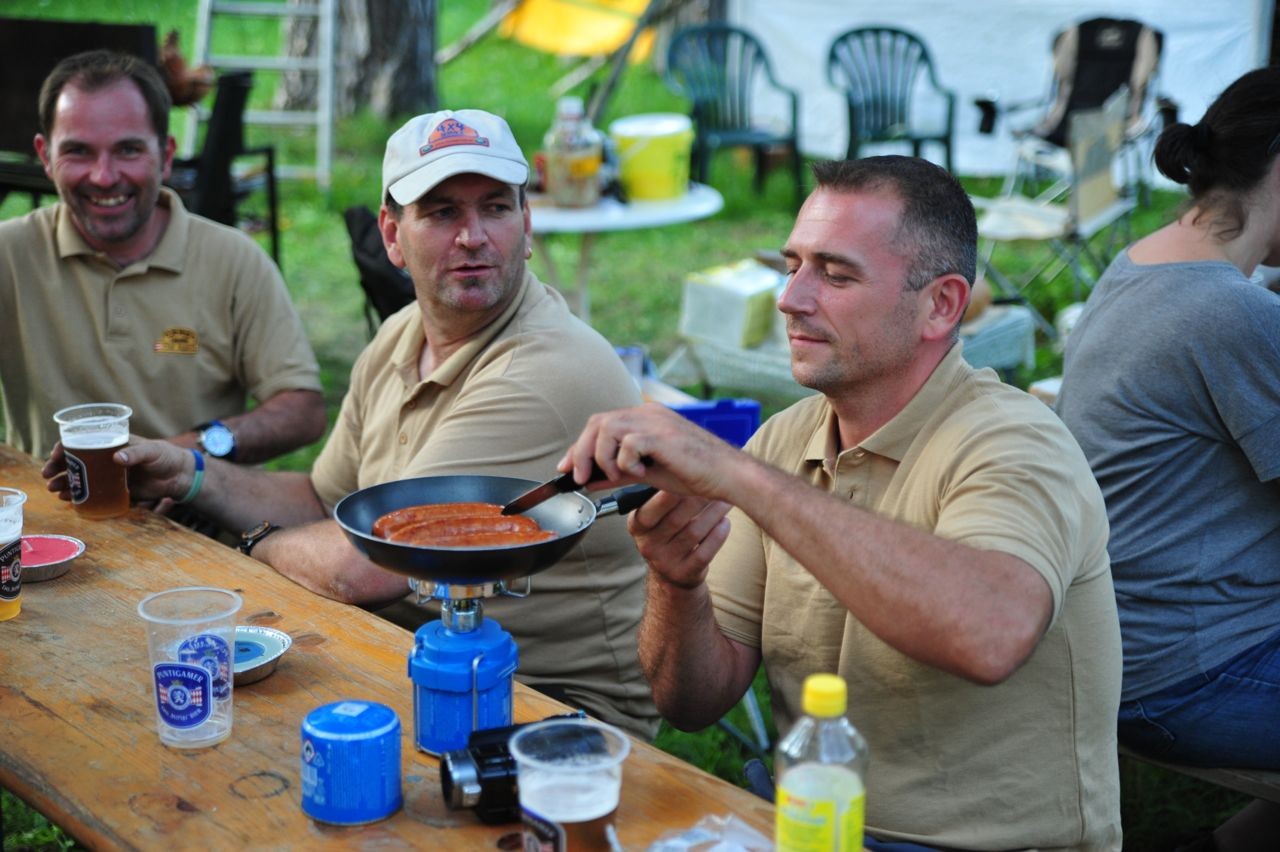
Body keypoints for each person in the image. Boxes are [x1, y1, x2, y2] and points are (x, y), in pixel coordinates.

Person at [562, 156, 1123, 849]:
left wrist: (739, 476)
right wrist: (678, 584)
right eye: (791, 263)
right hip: (806, 828)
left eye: (835, 273)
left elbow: (990, 634)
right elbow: (694, 702)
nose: (791, 297)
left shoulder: (1016, 442)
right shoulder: (786, 439)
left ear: (941, 305)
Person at [45, 108, 658, 739]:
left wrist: (251, 544)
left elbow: (360, 568)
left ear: (526, 226)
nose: (474, 235)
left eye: (495, 208)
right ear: (393, 236)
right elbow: (325, 497)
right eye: (442, 212)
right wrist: (194, 475)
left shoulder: (542, 370)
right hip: (424, 658)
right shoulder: (404, 333)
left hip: (548, 706)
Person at [1056, 66, 1280, 850]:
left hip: (1121, 644)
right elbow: (1240, 327)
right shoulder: (1230, 312)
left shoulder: (1151, 259)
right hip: (1186, 671)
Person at [0, 49, 325, 469]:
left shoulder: (233, 260)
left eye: (128, 150)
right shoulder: (10, 253)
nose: (104, 176)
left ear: (166, 155)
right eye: (79, 151)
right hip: (51, 528)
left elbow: (302, 409)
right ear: (45, 156)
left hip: (199, 523)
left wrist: (190, 453)